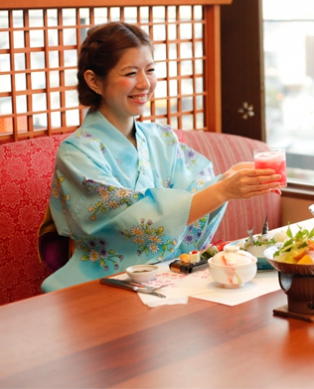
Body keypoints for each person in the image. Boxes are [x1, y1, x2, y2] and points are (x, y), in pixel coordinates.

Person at [41, 21, 281, 292]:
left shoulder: (161, 138)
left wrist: (228, 178)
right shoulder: (77, 153)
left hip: (166, 274)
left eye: (150, 70)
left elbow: (194, 196)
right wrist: (224, 189)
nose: (145, 84)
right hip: (101, 283)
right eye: (131, 72)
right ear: (94, 81)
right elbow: (127, 225)